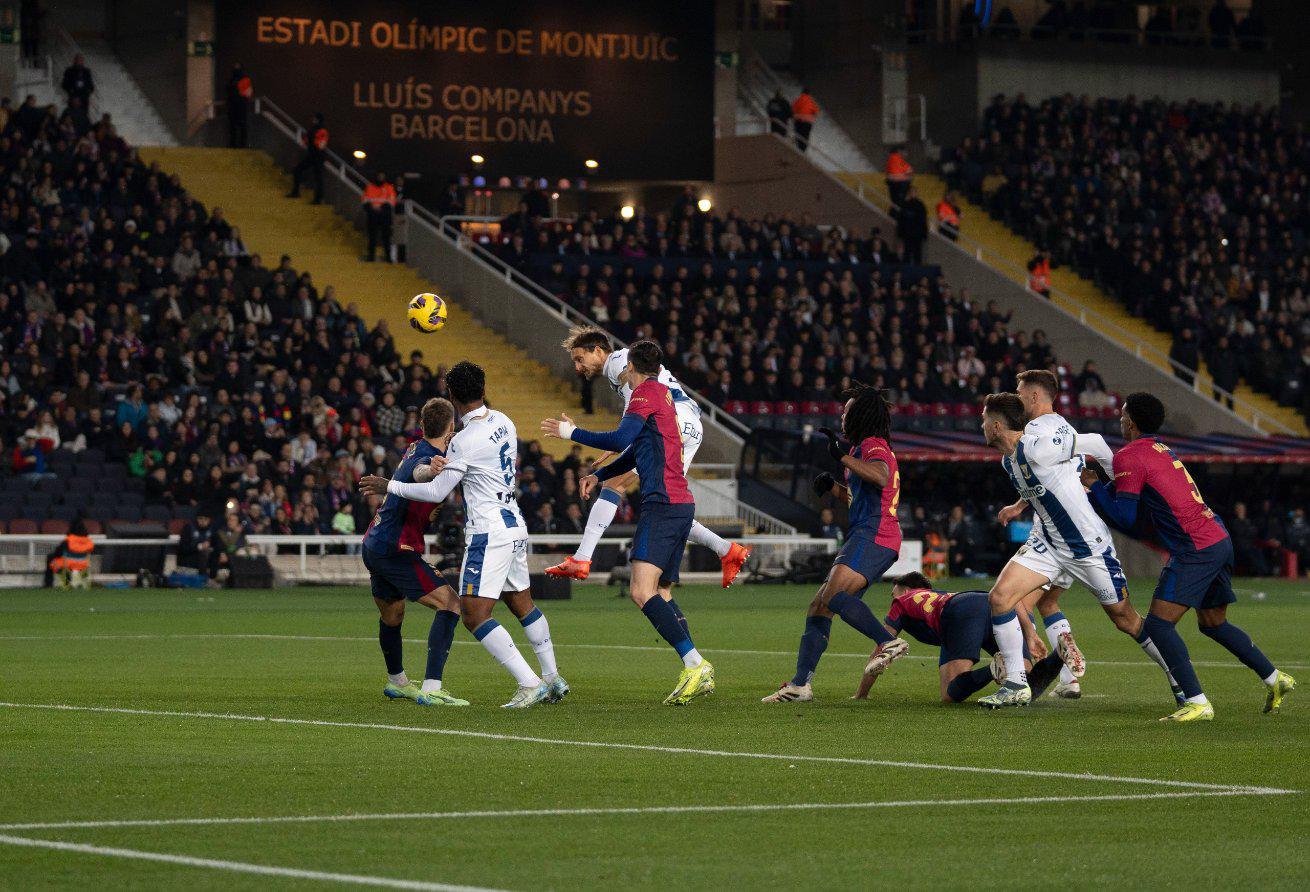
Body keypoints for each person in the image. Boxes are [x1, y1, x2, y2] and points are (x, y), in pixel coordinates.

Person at [361, 363, 567, 709]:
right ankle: (552, 677)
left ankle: (530, 683)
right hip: (514, 523)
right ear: (484, 390)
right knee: (521, 603)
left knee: (472, 613)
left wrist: (388, 486)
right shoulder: (504, 421)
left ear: (453, 396)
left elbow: (435, 489)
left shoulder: (460, 442)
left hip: (487, 531)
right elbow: (429, 468)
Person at [1085, 392, 1296, 721]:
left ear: (1132, 422)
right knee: (1213, 623)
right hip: (1217, 537)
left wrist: (1094, 488)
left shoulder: (1129, 455)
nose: (1120, 420)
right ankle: (1275, 678)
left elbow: (1125, 518)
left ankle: (1196, 702)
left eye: (1123, 415)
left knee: (1157, 624)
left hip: (1194, 547)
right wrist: (1100, 487)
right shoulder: (1160, 448)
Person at [977, 377, 1183, 710]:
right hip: (1049, 544)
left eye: (984, 419)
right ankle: (1016, 684)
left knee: (1125, 620)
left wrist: (1118, 486)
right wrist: (1019, 505)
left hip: (1088, 547)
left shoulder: (1038, 446)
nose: (980, 425)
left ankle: (1179, 679)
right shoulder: (1009, 460)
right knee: (1001, 598)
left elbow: (1098, 443)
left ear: (997, 425)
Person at [541, 340, 715, 705]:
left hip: (663, 504)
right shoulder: (664, 396)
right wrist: (601, 474)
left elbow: (621, 438)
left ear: (630, 365)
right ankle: (696, 665)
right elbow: (634, 449)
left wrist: (570, 433)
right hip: (677, 503)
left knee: (641, 591)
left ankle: (695, 664)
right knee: (660, 591)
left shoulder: (644, 393)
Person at [547, 326, 750, 587]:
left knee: (614, 485)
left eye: (579, 359)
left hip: (675, 419)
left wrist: (584, 434)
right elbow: (634, 414)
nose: (578, 367)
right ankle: (726, 550)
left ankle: (582, 558)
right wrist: (621, 440)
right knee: (668, 502)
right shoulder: (620, 371)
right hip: (687, 425)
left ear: (598, 351)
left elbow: (639, 405)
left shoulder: (620, 361)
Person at [762, 385, 908, 703]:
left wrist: (840, 456)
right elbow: (863, 492)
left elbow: (881, 476)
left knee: (835, 597)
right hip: (869, 534)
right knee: (820, 606)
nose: (843, 415)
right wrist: (834, 487)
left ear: (861, 416)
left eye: (848, 410)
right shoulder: (860, 450)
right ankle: (800, 684)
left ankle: (888, 642)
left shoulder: (872, 445)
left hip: (875, 534)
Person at [354, 398, 469, 706]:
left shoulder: (415, 446)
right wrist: (431, 473)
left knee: (393, 615)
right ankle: (432, 689)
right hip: (396, 549)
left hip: (375, 543)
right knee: (451, 604)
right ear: (451, 428)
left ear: (421, 426)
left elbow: (414, 473)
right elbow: (420, 474)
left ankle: (397, 682)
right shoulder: (431, 458)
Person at [854, 573, 1067, 703]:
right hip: (986, 601)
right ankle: (1060, 652)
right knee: (1024, 678)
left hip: (958, 613)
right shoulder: (940, 594)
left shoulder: (902, 602)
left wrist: (861, 694)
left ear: (907, 590)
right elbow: (1012, 601)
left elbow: (883, 648)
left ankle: (993, 669)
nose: (893, 598)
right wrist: (1030, 634)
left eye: (894, 593)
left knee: (950, 693)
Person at [288, 112, 329, 204]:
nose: (313, 120)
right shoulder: (315, 130)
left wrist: (310, 141)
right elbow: (307, 140)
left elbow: (320, 145)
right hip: (312, 155)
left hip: (318, 157)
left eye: (314, 119)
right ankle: (296, 192)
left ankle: (317, 199)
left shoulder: (321, 131)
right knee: (299, 171)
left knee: (318, 178)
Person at [45, 519, 94, 588]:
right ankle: (82, 580)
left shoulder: (68, 540)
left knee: (50, 558)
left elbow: (57, 553)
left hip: (68, 565)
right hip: (83, 565)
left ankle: (48, 585)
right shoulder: (89, 541)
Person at [361, 172, 398, 262]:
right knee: (372, 237)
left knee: (386, 237)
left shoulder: (389, 187)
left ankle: (388, 258)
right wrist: (372, 208)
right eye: (379, 176)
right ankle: (371, 257)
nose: (380, 178)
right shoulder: (369, 187)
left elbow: (392, 201)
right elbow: (364, 201)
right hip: (372, 215)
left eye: (382, 177)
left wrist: (381, 208)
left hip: (385, 216)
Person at [895, 186, 929, 265]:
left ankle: (917, 272)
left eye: (915, 192)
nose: (913, 194)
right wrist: (900, 234)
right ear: (909, 193)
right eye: (912, 192)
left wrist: (924, 234)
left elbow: (923, 221)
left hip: (918, 236)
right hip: (907, 235)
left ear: (917, 193)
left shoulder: (921, 205)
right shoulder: (905, 205)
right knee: (906, 254)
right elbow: (901, 220)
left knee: (917, 255)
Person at [225, 64, 253, 148]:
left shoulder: (240, 80)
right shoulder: (234, 80)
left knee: (239, 127)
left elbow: (248, 93)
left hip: (240, 106)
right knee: (235, 127)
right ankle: (235, 144)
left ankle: (240, 145)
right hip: (237, 106)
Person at [791, 87, 819, 152]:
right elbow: (816, 111)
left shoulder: (799, 100)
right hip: (808, 123)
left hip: (799, 121)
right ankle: (803, 150)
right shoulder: (811, 101)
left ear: (802, 93)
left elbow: (793, 109)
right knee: (805, 136)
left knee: (798, 135)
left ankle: (798, 148)